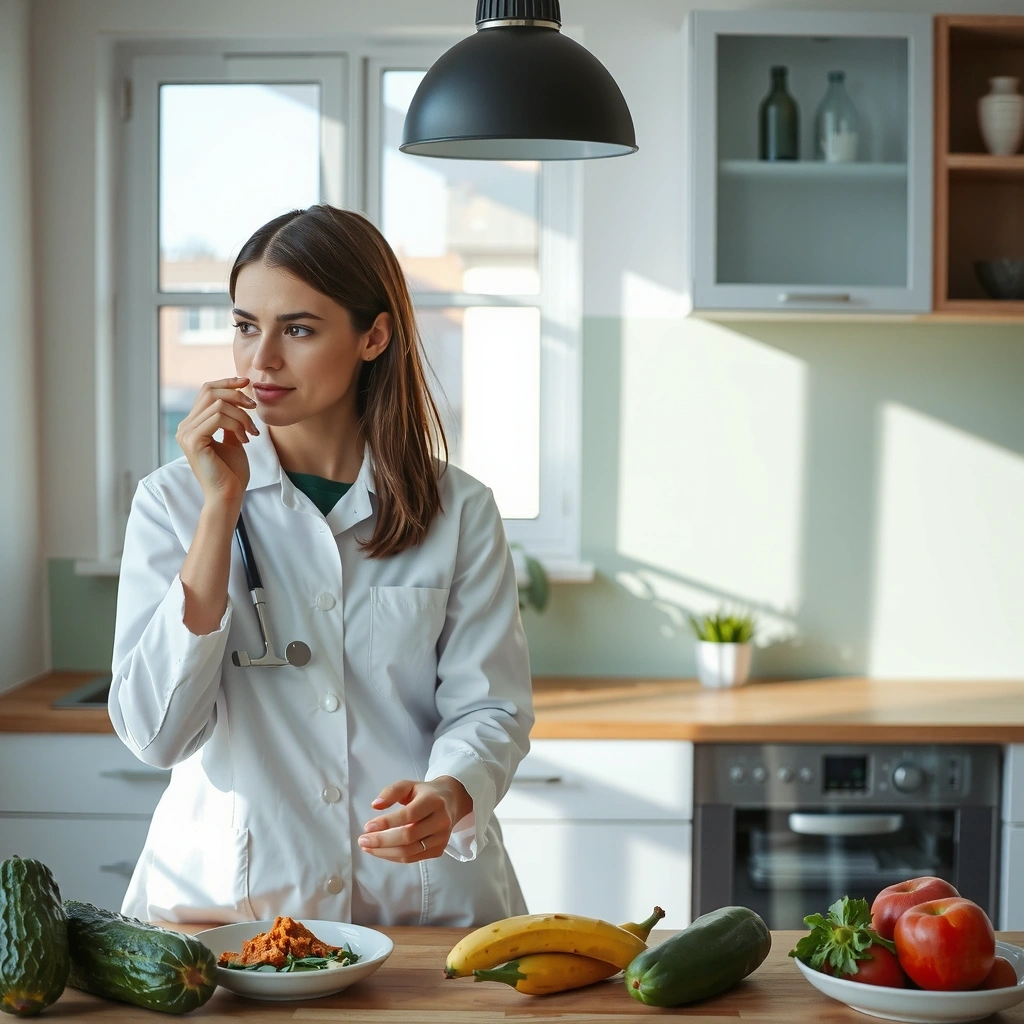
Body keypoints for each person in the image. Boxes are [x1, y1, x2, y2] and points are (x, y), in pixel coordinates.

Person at [109, 205, 534, 927]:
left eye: (297, 329)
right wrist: (220, 511)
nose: (259, 360)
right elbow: (155, 734)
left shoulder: (458, 509)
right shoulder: (172, 501)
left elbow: (490, 706)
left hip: (418, 912)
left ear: (374, 336)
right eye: (246, 325)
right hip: (232, 915)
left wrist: (453, 791)